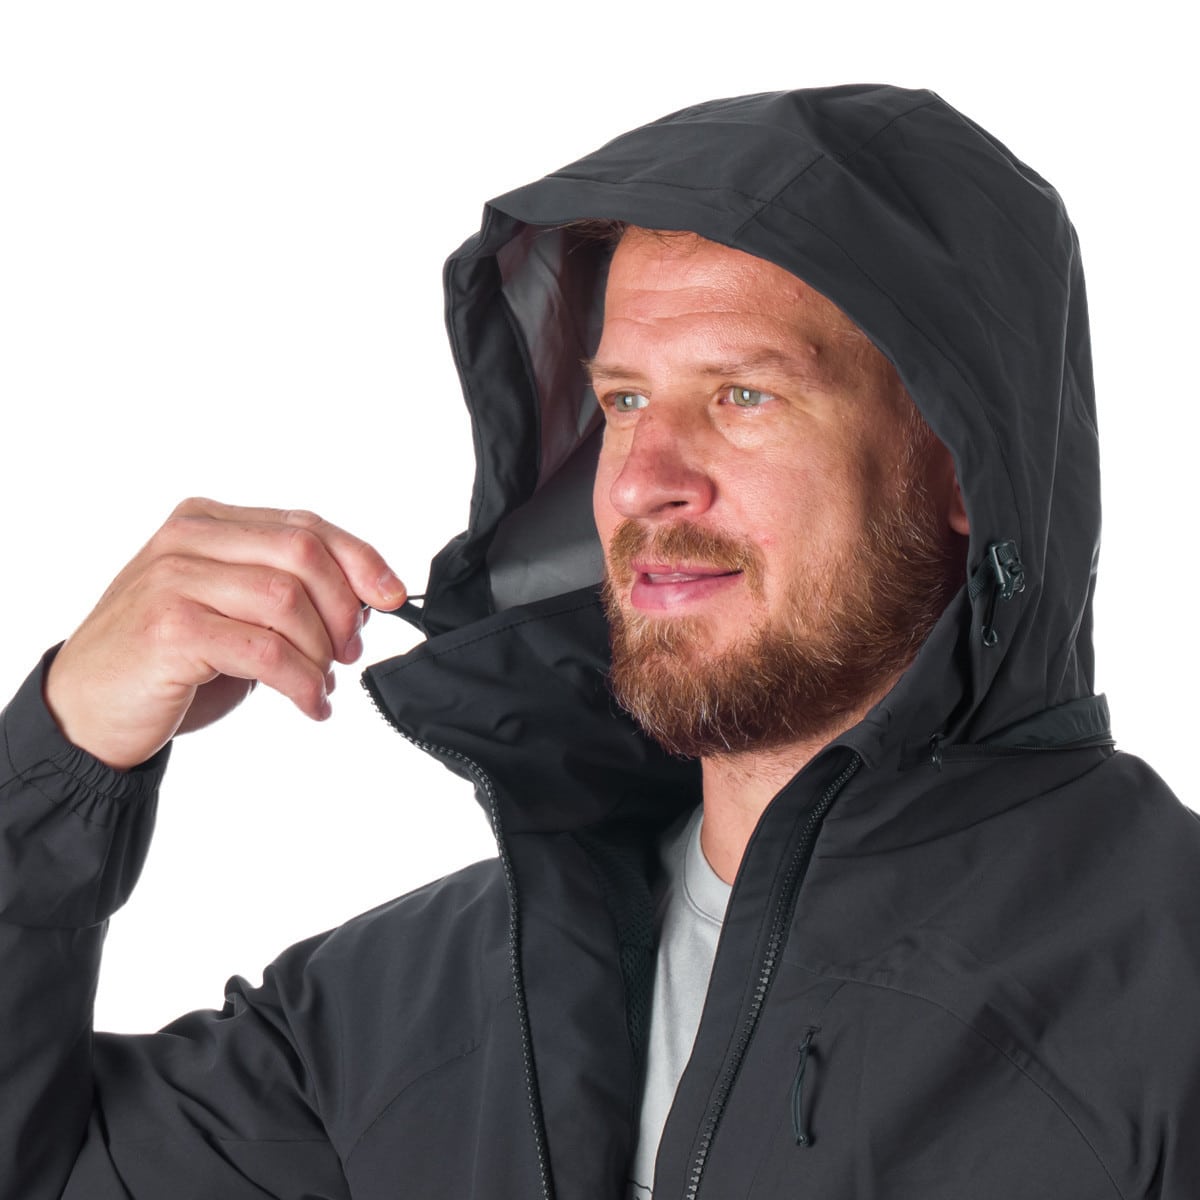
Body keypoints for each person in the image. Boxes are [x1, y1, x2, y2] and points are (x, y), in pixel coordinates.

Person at [2, 83, 1197, 1200]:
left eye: (742, 394)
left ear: (962, 468)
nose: (640, 483)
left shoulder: (1166, 995)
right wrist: (64, 756)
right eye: (624, 400)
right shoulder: (407, 1013)